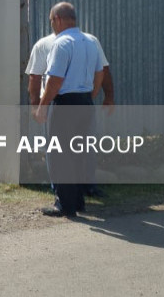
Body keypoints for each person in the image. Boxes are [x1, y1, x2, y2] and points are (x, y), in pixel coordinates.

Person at [32, 2, 105, 219]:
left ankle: (65, 205)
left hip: (65, 104)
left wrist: (42, 107)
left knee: (59, 154)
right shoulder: (91, 41)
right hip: (85, 103)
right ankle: (78, 200)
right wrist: (89, 96)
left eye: (51, 21)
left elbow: (54, 80)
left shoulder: (62, 44)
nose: (52, 25)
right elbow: (99, 73)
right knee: (78, 152)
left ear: (58, 19)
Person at [25, 25, 114, 196]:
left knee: (67, 148)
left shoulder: (87, 41)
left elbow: (102, 69)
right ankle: (72, 188)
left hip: (61, 102)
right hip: (75, 101)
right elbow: (35, 76)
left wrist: (38, 106)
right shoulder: (48, 44)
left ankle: (76, 189)